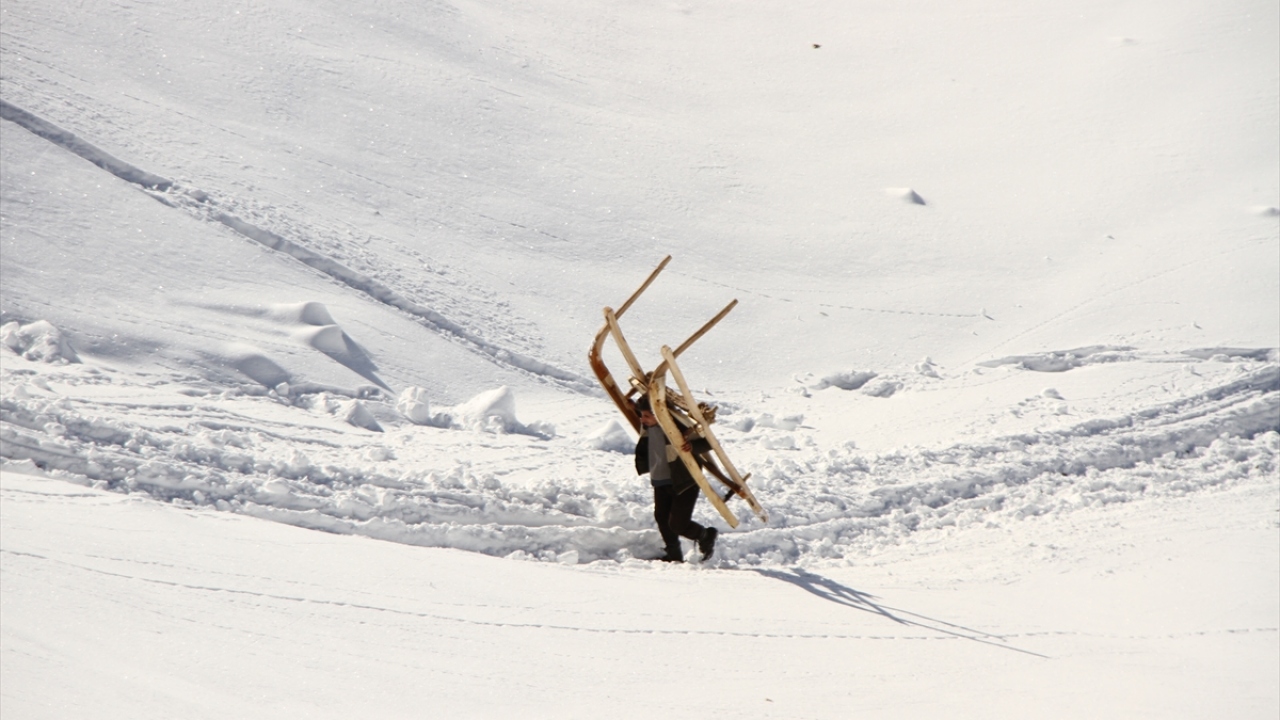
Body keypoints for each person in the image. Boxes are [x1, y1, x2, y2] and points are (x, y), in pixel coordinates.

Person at [633, 395, 718, 562]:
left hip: (684, 480)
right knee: (661, 518)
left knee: (678, 524)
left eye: (646, 416)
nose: (642, 420)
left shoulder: (678, 426)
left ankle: (705, 535)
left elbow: (709, 442)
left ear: (658, 415)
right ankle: (674, 555)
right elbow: (641, 412)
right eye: (642, 415)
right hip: (660, 479)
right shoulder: (647, 425)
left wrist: (692, 446)